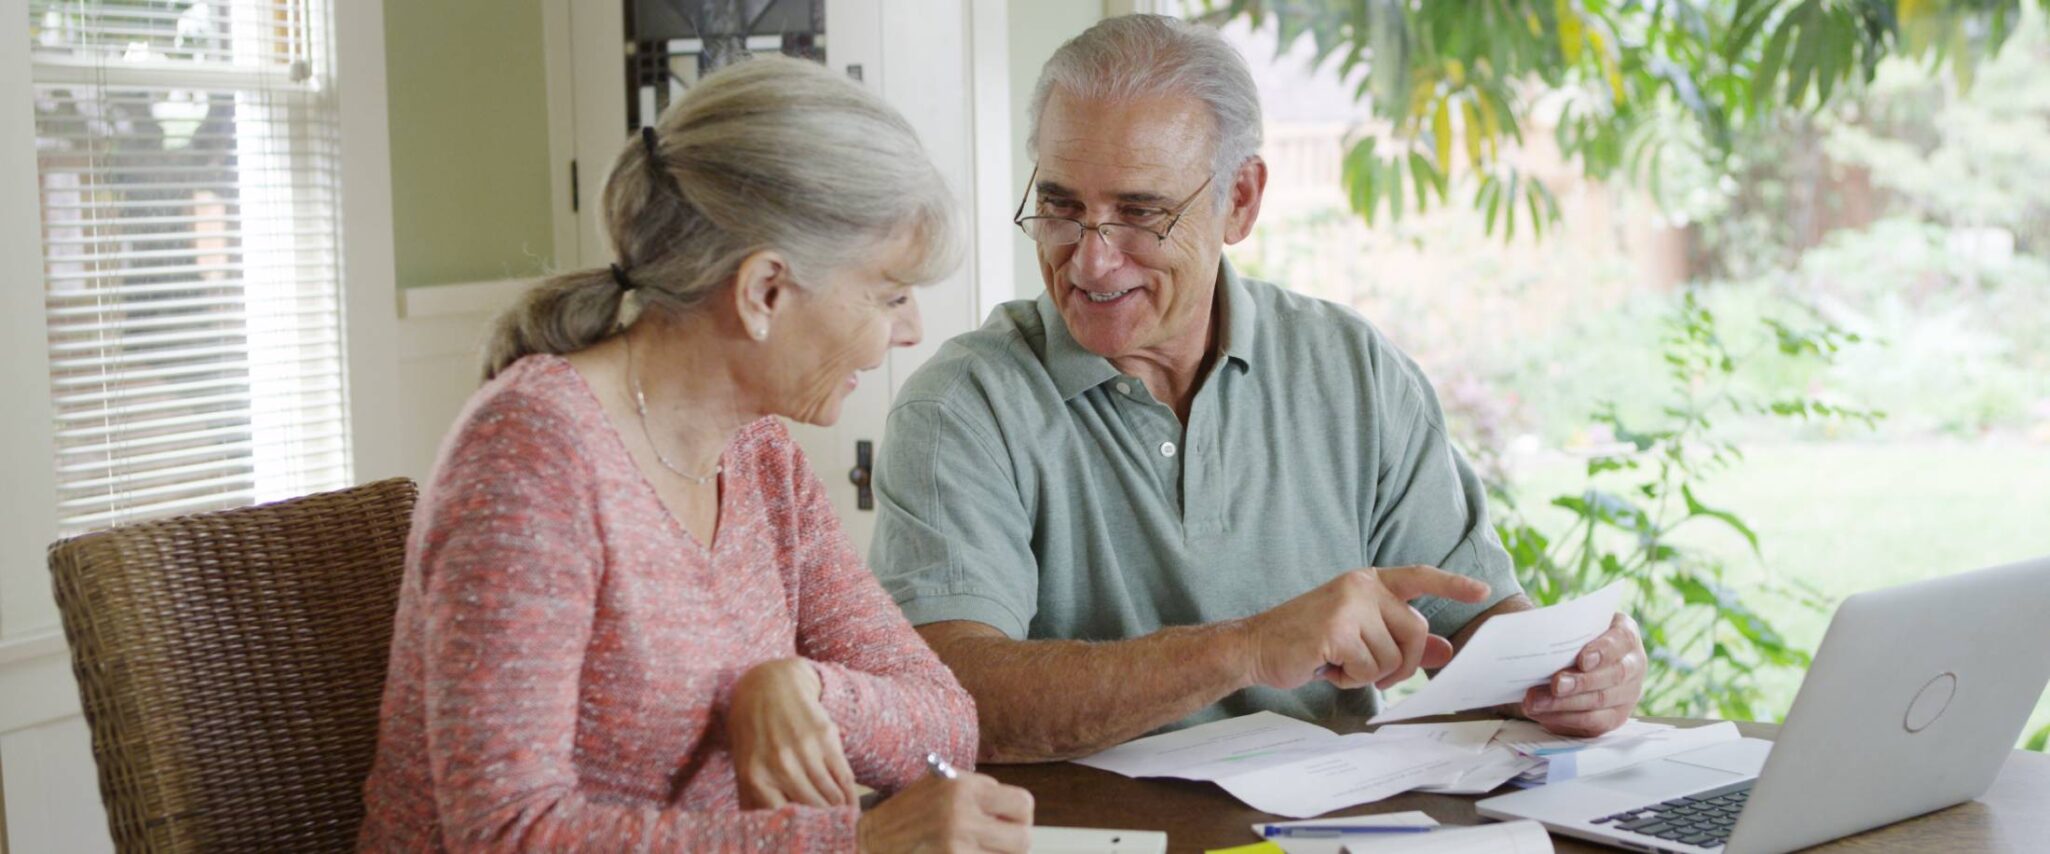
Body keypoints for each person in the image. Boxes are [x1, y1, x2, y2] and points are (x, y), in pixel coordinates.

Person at [868, 16, 1647, 764]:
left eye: (1140, 213)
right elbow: (951, 699)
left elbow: (1474, 624)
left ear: (1239, 200)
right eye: (1063, 207)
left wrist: (1574, 675)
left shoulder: (1351, 369)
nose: (1090, 261)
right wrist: (1249, 647)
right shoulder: (961, 408)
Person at [358, 56, 1032, 851]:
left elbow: (945, 727)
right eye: (889, 295)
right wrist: (852, 843)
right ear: (764, 291)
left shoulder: (760, 457)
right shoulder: (531, 456)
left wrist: (799, 687)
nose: (911, 331)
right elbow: (506, 832)